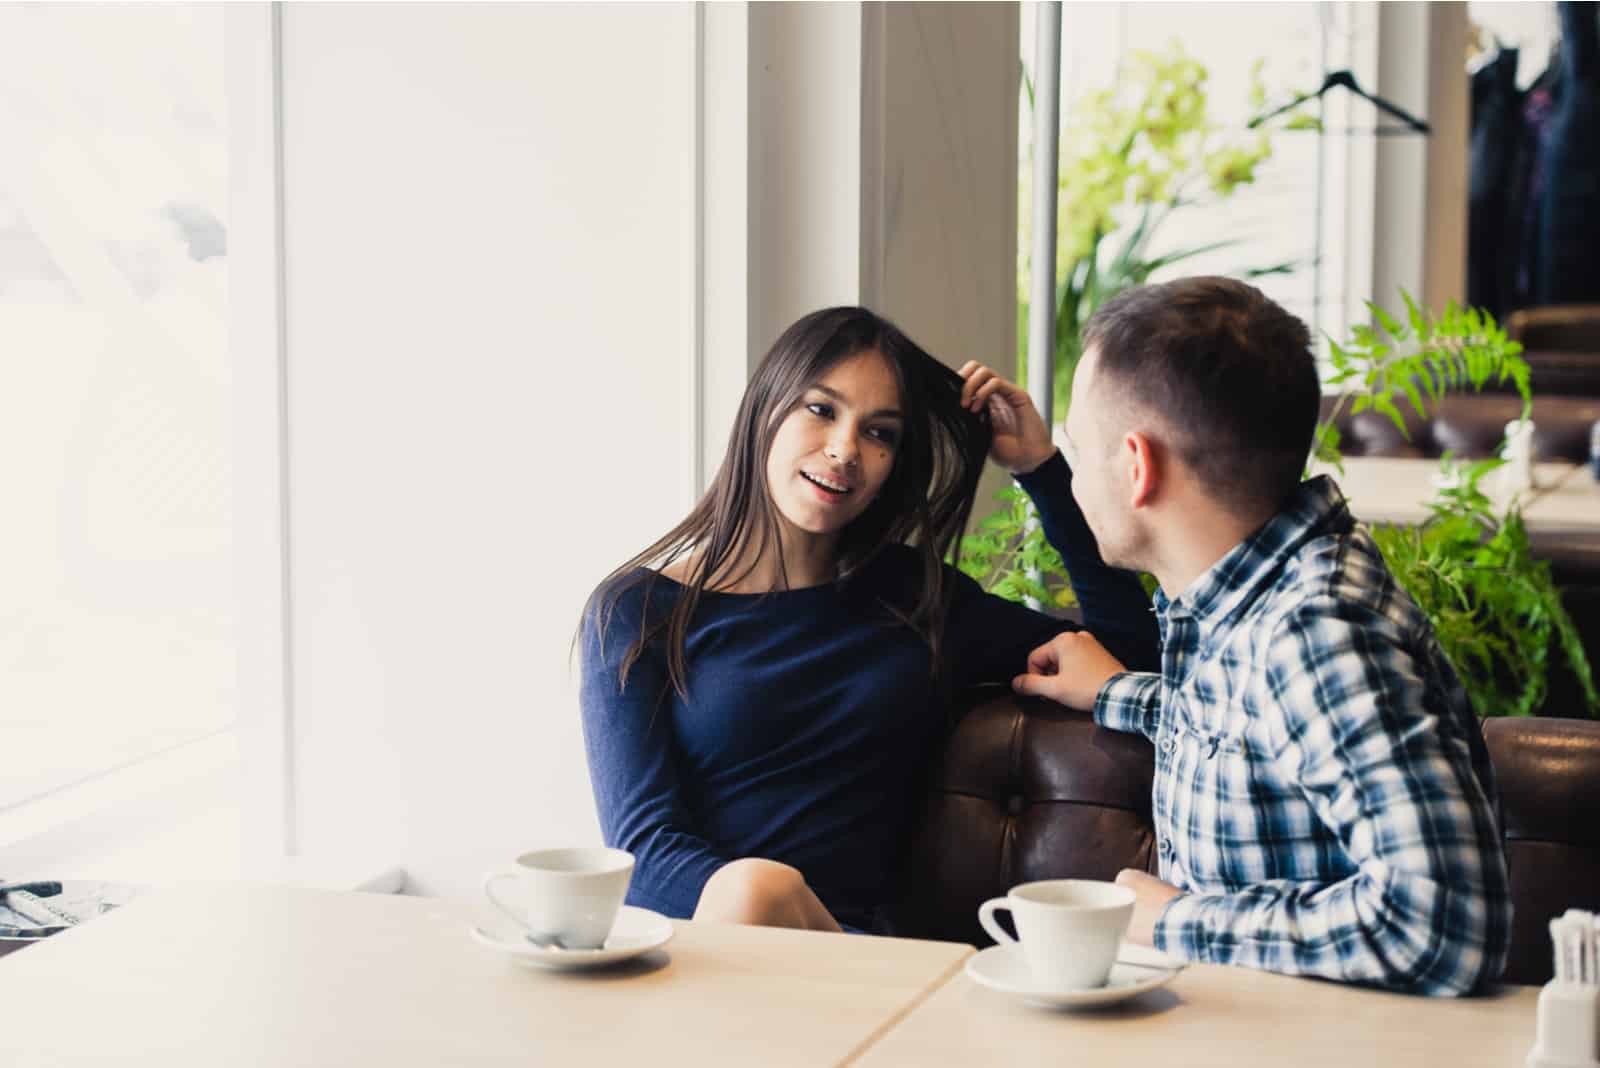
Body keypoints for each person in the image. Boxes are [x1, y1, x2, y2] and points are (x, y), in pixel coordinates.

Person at [580, 306, 1158, 934]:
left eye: (879, 433)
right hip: (708, 947)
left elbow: (1129, 646)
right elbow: (644, 851)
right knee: (757, 888)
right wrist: (758, 901)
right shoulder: (636, 612)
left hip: (866, 959)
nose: (844, 450)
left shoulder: (916, 599)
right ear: (765, 410)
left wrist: (1040, 470)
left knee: (760, 889)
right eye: (821, 410)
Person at [1011, 277, 1512, 996]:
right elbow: (1255, 726)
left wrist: (1179, 920)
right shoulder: (1252, 601)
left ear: (1137, 466)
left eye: (1081, 452)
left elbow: (1447, 921)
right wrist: (1124, 694)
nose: (1078, 475)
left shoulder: (1314, 632)